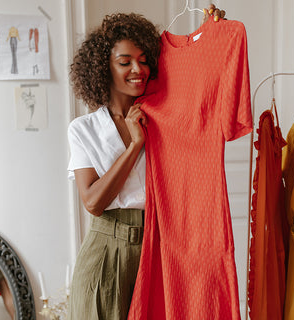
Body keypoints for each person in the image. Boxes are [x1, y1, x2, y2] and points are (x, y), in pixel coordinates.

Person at [67, 7, 224, 320]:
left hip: (159, 248)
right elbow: (94, 202)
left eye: (143, 60)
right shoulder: (84, 129)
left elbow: (203, 88)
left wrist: (215, 34)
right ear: (103, 67)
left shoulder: (165, 122)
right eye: (125, 62)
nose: (137, 69)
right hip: (105, 253)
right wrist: (135, 143)